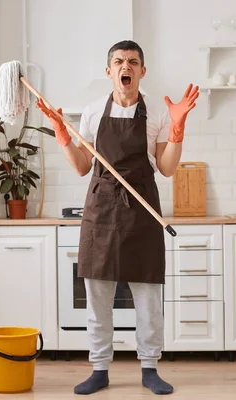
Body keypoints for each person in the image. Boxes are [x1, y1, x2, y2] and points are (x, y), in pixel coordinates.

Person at [36, 40, 199, 395]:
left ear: (142, 71)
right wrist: (63, 135)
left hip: (142, 210)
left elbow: (168, 168)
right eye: (119, 61)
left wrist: (177, 130)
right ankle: (99, 368)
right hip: (102, 210)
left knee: (148, 298)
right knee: (98, 296)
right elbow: (82, 167)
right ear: (109, 71)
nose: (126, 66)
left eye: (133, 61)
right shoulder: (94, 112)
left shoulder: (156, 111)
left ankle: (150, 367)